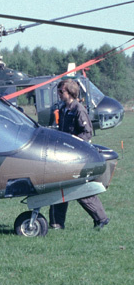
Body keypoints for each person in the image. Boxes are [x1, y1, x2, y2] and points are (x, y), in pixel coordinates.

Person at [48, 79, 109, 229]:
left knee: (78, 189)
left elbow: (87, 134)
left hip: (76, 157)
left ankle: (101, 218)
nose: (59, 94)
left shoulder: (78, 109)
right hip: (63, 157)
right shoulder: (63, 109)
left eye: (61, 91)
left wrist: (73, 144)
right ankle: (56, 223)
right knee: (59, 187)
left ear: (70, 92)